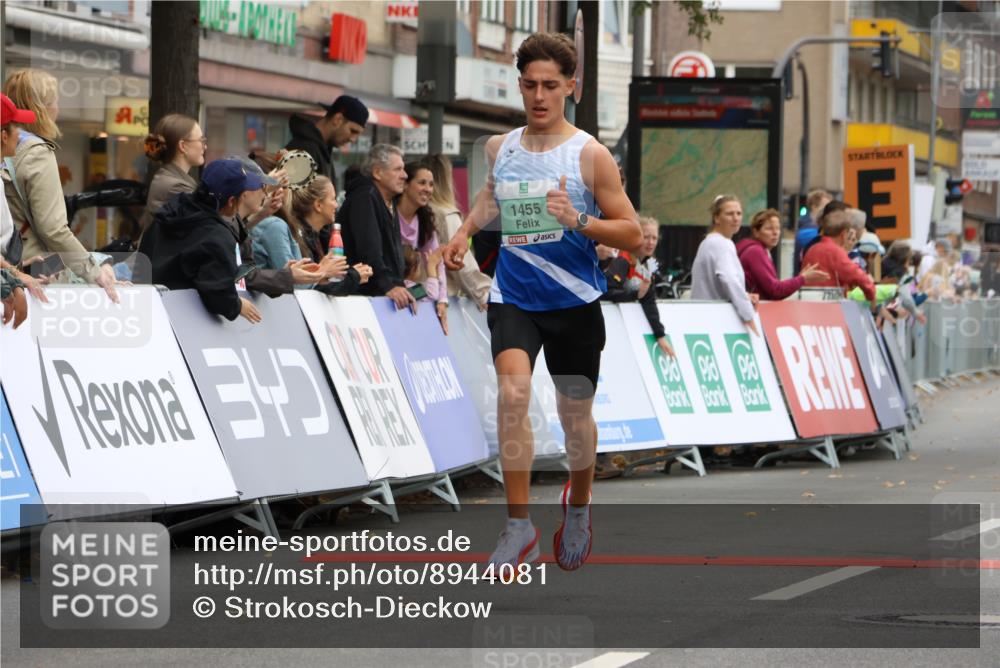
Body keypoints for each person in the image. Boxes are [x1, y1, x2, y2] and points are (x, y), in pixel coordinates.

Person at [441, 32, 643, 572]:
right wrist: (463, 232)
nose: (538, 95)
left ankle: (578, 504)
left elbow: (631, 234)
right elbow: (490, 197)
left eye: (550, 85)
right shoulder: (498, 147)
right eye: (529, 84)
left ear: (570, 87)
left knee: (574, 417)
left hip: (574, 301)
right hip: (516, 296)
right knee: (512, 394)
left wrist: (578, 219)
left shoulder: (590, 155)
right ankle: (518, 524)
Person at [2, 70, 118, 302]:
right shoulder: (37, 153)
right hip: (34, 275)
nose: (58, 108)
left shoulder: (12, 147)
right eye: (54, 101)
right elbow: (53, 229)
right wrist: (93, 272)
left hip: (10, 269)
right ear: (41, 108)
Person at [137, 159, 266, 323]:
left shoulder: (171, 211)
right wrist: (237, 305)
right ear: (232, 201)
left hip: (143, 311)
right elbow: (217, 292)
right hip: (180, 323)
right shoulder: (217, 237)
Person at [250, 174, 372, 293]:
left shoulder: (308, 233)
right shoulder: (275, 226)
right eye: (333, 199)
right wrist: (323, 272)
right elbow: (297, 285)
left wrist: (326, 275)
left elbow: (302, 282)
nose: (337, 204)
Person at [338, 143, 414, 311]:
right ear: (378, 172)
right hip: (361, 300)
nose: (405, 175)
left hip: (378, 297)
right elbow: (369, 250)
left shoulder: (387, 200)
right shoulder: (365, 196)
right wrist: (388, 286)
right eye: (398, 169)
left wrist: (398, 285)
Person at [426, 153, 492, 309]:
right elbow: (463, 266)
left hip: (419, 294)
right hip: (444, 299)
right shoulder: (447, 214)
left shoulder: (419, 212)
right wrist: (485, 294)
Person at [602, 216, 674, 357]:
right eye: (646, 237)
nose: (651, 242)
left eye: (654, 238)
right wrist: (634, 295)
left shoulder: (649, 264)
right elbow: (605, 292)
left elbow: (648, 300)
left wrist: (659, 335)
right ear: (635, 237)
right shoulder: (622, 260)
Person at [691, 195, 759, 335]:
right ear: (716, 218)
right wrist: (748, 314)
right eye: (729, 213)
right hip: (718, 321)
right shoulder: (721, 244)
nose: (736, 218)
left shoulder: (710, 242)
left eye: (739, 213)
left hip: (704, 318)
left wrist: (744, 295)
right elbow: (729, 280)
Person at [398, 160, 448, 334]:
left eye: (431, 184)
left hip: (409, 292)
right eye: (421, 183)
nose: (428, 189)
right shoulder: (389, 215)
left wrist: (442, 300)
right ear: (405, 185)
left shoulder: (425, 222)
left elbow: (437, 262)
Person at [736, 208, 829, 301]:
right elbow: (775, 290)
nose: (775, 233)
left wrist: (800, 278)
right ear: (756, 232)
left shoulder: (760, 250)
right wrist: (803, 278)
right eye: (769, 228)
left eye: (778, 228)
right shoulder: (755, 252)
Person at [140, 114, 206, 229]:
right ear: (183, 146)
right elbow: (207, 230)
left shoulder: (168, 178)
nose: (205, 147)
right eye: (201, 140)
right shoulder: (177, 187)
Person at [801, 208, 877, 304]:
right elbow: (858, 276)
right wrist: (871, 295)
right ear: (843, 234)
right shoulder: (836, 252)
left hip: (807, 306)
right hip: (829, 309)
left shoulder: (812, 249)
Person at [285, 95, 368, 181]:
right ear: (337, 119)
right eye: (353, 131)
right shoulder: (305, 149)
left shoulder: (323, 149)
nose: (353, 139)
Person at [794, 189, 832, 274]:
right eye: (825, 207)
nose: (829, 212)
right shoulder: (807, 231)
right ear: (814, 207)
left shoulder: (808, 227)